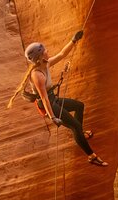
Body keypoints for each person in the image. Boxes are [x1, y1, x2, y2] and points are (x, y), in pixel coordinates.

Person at [7, 30, 108, 166]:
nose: (47, 52)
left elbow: (62, 54)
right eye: (45, 52)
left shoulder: (45, 64)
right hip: (48, 104)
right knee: (75, 126)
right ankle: (91, 156)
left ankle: (81, 134)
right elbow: (44, 98)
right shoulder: (37, 75)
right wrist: (52, 117)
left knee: (79, 106)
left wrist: (73, 40)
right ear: (40, 57)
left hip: (52, 99)